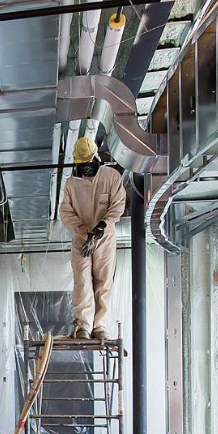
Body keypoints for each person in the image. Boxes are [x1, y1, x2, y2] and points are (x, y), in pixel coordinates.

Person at [58, 136, 126, 340]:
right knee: (82, 280)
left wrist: (101, 227)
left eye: (88, 162)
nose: (85, 167)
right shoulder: (72, 183)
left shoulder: (111, 177)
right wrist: (81, 228)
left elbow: (117, 206)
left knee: (103, 281)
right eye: (82, 164)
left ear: (95, 156)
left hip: (104, 238)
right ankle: (83, 325)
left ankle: (100, 326)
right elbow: (66, 211)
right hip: (81, 238)